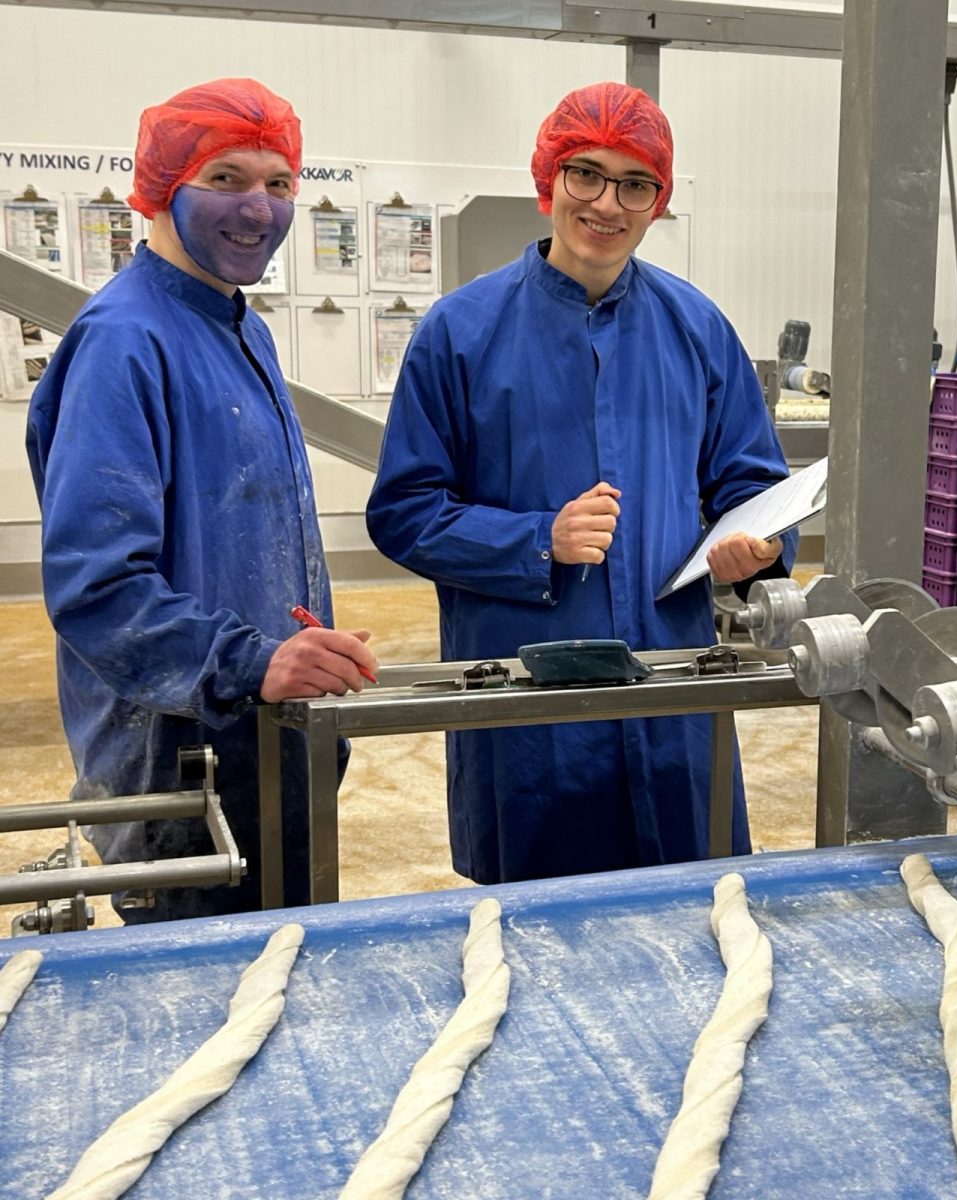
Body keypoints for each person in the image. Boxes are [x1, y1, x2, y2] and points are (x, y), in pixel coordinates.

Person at [366, 81, 795, 886]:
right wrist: (537, 541)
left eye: (636, 184)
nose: (607, 203)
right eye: (586, 174)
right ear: (548, 180)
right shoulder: (459, 333)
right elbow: (404, 512)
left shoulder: (697, 329)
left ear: (657, 201)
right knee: (535, 930)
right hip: (526, 692)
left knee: (697, 910)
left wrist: (755, 549)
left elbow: (752, 480)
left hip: (673, 683)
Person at [27, 78, 378, 923]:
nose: (258, 208)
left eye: (280, 184)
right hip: (180, 767)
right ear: (159, 187)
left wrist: (298, 654)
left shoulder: (239, 327)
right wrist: (251, 662)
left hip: (265, 741)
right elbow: (98, 589)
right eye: (226, 179)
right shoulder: (125, 342)